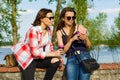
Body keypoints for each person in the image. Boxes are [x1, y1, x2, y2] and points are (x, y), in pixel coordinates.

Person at [12, 8, 64, 80]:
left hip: (37, 58)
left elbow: (49, 47)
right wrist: (54, 54)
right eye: (50, 18)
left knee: (56, 61)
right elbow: (34, 52)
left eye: (53, 17)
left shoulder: (49, 30)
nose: (52, 19)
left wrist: (56, 56)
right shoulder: (33, 30)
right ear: (41, 18)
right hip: (28, 58)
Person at [56, 7, 91, 80]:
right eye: (68, 17)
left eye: (73, 17)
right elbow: (62, 51)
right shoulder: (59, 32)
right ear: (63, 18)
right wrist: (71, 40)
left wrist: (85, 38)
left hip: (85, 57)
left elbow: (89, 45)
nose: (71, 19)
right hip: (71, 58)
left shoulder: (79, 27)